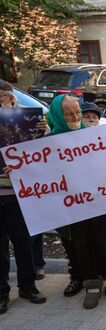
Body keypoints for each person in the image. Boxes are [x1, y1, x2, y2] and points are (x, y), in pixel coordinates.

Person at [47, 95, 106, 309]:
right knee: (81, 245)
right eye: (69, 114)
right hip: (72, 207)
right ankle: (92, 285)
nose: (75, 117)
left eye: (77, 112)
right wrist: (21, 172)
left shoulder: (96, 137)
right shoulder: (46, 144)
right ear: (58, 115)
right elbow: (40, 172)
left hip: (100, 204)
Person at [0, 89, 49, 314]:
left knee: (24, 244)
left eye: (8, 97)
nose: (6, 101)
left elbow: (43, 151)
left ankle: (27, 287)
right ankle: (2, 293)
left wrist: (43, 130)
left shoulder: (26, 121)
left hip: (19, 195)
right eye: (1, 98)